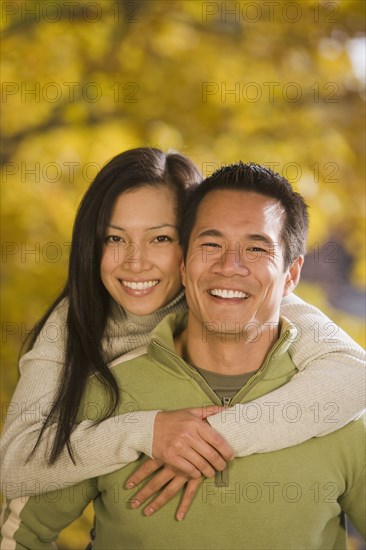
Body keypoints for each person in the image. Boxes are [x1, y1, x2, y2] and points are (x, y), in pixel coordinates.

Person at [1, 162, 364, 549]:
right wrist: (145, 432)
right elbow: (17, 495)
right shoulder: (90, 372)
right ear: (186, 262)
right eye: (114, 238)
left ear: (290, 276)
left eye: (159, 238)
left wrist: (215, 437)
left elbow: (356, 373)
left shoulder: (334, 406)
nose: (230, 266)